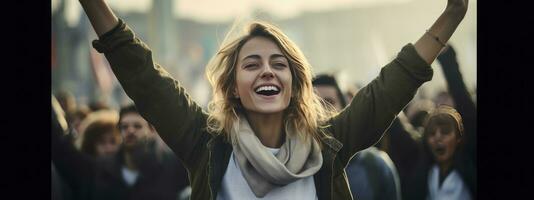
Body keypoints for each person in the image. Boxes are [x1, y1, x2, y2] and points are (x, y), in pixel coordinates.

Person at [77, 0, 468, 198]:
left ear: (295, 84)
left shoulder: (329, 143)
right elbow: (143, 76)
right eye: (252, 64)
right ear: (232, 87)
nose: (267, 71)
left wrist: (453, 13)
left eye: (278, 64)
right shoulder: (205, 144)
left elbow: (391, 85)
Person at [51, 104, 189, 200]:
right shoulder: (99, 169)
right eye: (124, 127)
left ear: (152, 131)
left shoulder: (172, 168)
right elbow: (62, 151)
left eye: (137, 126)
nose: (130, 131)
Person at [313, 74, 401, 200]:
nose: (320, 111)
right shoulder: (298, 165)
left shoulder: (376, 165)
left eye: (329, 102)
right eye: (314, 104)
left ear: (344, 108)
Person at [404, 105, 475, 199]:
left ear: (458, 138)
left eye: (445, 132)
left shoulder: (471, 171)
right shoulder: (423, 175)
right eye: (432, 133)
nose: (438, 138)